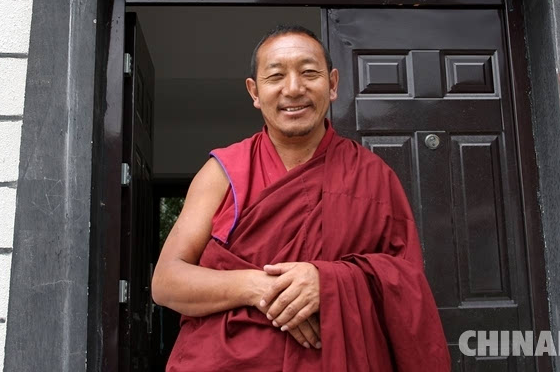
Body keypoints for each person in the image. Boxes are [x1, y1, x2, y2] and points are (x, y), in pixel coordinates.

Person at [152, 25, 450, 371]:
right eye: (276, 76)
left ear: (333, 84)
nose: (293, 89)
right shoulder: (224, 172)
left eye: (309, 73)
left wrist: (326, 283)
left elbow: (406, 288)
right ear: (255, 91)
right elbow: (166, 282)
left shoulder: (372, 175)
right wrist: (260, 288)